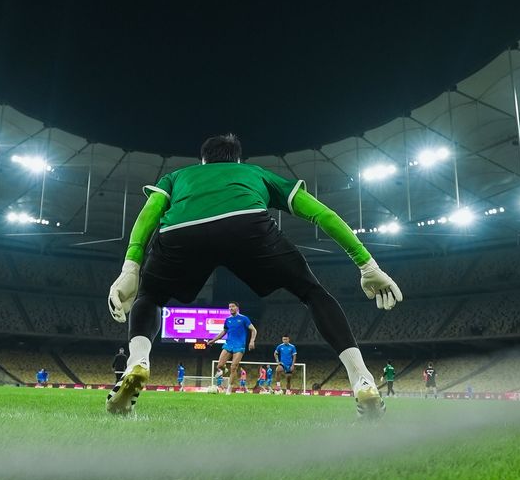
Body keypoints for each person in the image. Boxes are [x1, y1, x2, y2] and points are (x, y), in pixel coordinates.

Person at [105, 133, 402, 418]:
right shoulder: (254, 173)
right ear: (237, 160)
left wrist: (130, 268)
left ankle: (138, 363)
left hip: (181, 231)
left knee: (150, 296)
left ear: (203, 161)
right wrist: (368, 266)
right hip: (247, 224)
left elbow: (149, 213)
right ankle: (362, 380)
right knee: (312, 293)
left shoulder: (178, 177)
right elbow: (322, 214)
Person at [207, 301, 256, 395]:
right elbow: (224, 332)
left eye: (232, 306)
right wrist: (213, 340)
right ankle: (224, 369)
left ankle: (229, 388)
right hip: (229, 344)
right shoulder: (227, 320)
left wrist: (252, 341)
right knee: (219, 365)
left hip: (239, 345)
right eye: (229, 307)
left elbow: (253, 330)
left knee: (233, 367)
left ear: (237, 307)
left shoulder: (244, 318)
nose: (230, 308)